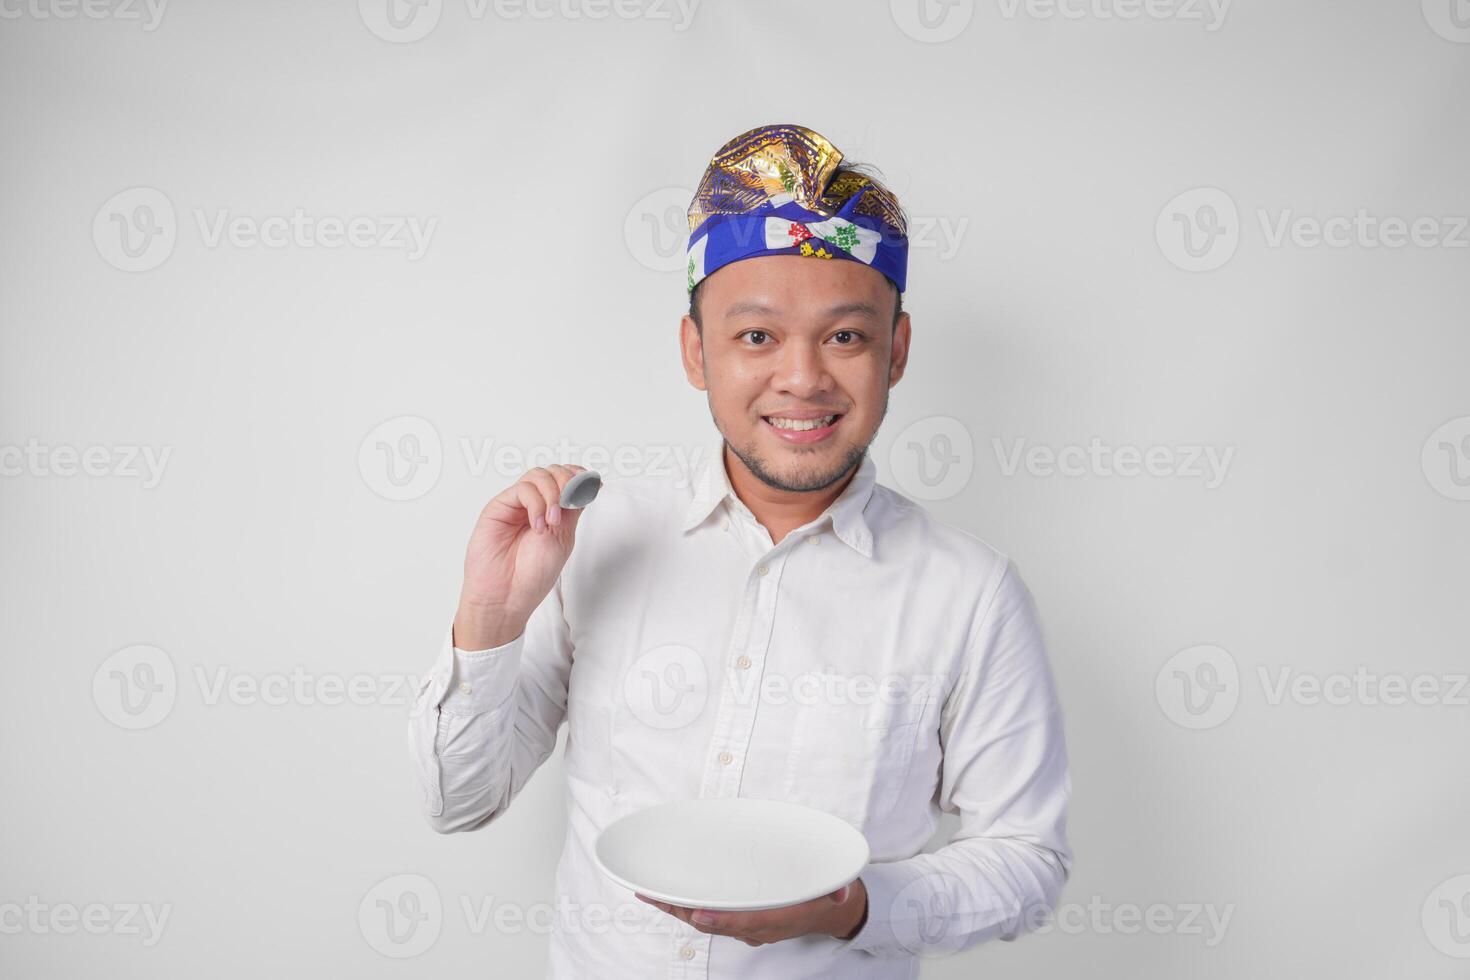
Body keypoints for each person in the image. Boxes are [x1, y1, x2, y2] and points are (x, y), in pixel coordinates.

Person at [407, 122, 1073, 978]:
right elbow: (458, 802)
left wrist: (857, 908)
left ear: (896, 352)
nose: (802, 378)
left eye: (846, 337)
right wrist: (490, 617)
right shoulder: (597, 541)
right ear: (697, 352)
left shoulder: (970, 593)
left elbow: (1028, 860)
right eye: (756, 337)